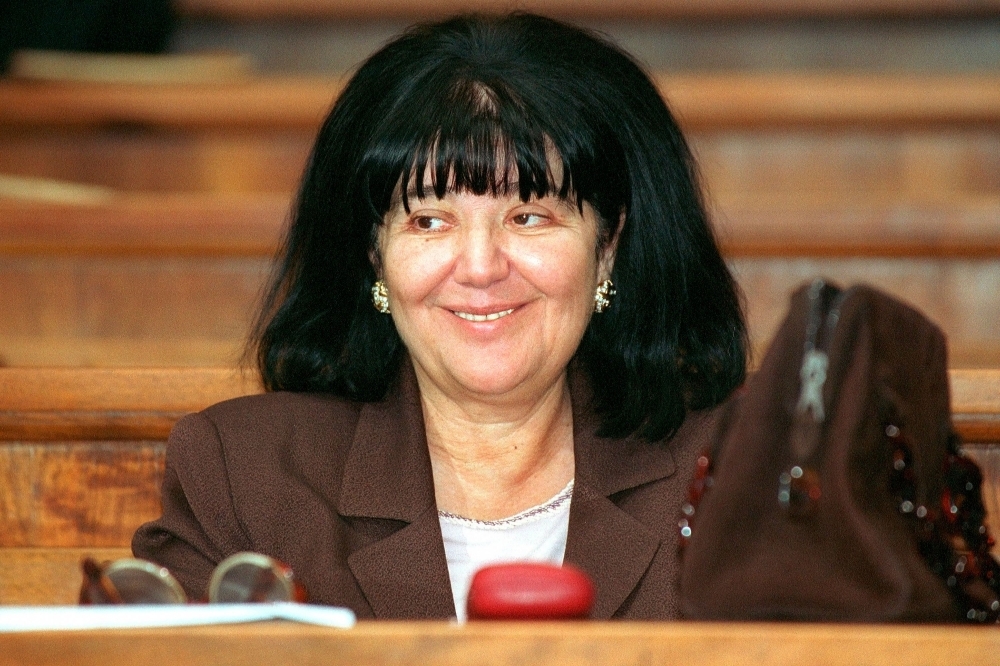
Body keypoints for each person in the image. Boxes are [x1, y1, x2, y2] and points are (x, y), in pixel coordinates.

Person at [132, 12, 747, 620]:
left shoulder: (732, 473)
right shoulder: (247, 475)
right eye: (429, 220)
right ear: (375, 255)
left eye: (529, 216)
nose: (480, 268)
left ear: (607, 247)